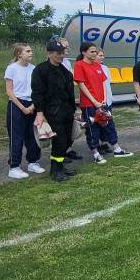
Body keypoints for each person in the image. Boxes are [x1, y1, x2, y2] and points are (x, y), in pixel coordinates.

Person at [72, 42, 132, 163]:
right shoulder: (79, 65)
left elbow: (103, 83)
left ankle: (117, 149)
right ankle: (95, 154)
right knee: (92, 128)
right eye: (92, 52)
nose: (94, 54)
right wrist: (94, 101)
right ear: (84, 52)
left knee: (109, 124)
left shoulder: (97, 65)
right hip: (89, 104)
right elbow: (81, 85)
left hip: (101, 102)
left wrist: (104, 99)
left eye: (95, 52)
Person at [32, 40, 78, 183]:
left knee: (66, 141)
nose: (61, 56)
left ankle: (61, 166)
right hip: (52, 112)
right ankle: (55, 170)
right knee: (59, 141)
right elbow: (37, 93)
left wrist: (74, 110)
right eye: (58, 53)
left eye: (62, 53)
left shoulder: (65, 71)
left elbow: (69, 92)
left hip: (66, 111)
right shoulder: (41, 70)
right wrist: (40, 114)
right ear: (49, 54)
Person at [4, 43, 43, 179]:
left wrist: (32, 106)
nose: (31, 53)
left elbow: (38, 89)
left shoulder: (34, 69)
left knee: (32, 134)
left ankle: (33, 161)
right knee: (16, 135)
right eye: (28, 51)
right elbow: (9, 90)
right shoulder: (12, 69)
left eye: (31, 50)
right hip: (17, 104)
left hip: (32, 103)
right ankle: (14, 166)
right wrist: (22, 107)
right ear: (19, 54)